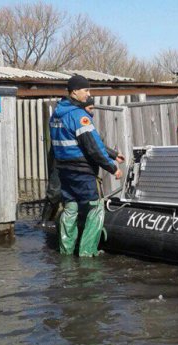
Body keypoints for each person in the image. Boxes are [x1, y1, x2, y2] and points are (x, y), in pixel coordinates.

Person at [49, 75, 123, 257]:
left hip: (64, 171)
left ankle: (65, 252)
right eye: (86, 90)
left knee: (70, 208)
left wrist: (113, 153)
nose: (88, 93)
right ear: (75, 91)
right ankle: (87, 253)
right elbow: (92, 147)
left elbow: (77, 141)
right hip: (82, 171)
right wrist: (112, 167)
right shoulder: (79, 116)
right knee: (95, 208)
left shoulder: (56, 115)